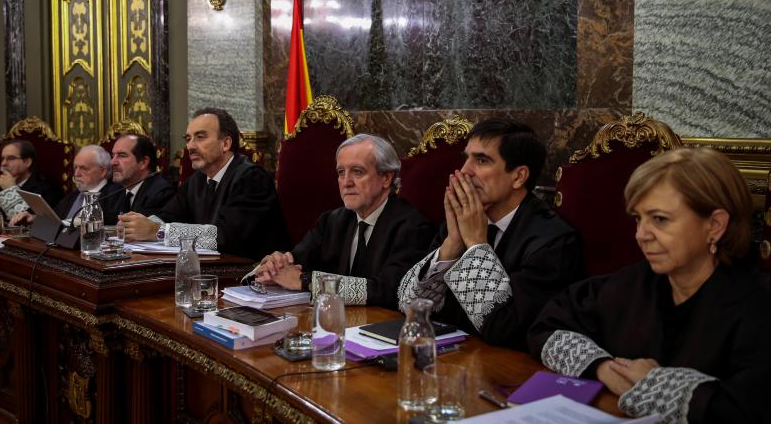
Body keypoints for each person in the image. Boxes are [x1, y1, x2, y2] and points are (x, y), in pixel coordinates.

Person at [528, 148, 771, 423]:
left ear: (714, 225)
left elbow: (748, 409)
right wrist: (603, 367)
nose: (641, 235)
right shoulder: (632, 283)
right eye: (637, 218)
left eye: (660, 219)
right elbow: (547, 326)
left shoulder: (758, 306)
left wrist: (655, 383)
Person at [398, 119, 583, 348]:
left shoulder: (554, 241)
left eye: (482, 160)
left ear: (518, 177)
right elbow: (410, 307)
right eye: (466, 158)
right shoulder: (461, 220)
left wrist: (476, 244)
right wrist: (453, 242)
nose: (465, 171)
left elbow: (506, 330)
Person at [254, 134, 435, 309]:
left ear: (386, 178)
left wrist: (306, 281)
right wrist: (273, 268)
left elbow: (389, 290)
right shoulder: (331, 221)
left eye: (357, 171)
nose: (346, 182)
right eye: (341, 172)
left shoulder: (413, 227)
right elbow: (296, 260)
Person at [119, 108, 288, 259]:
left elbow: (224, 236)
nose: (190, 146)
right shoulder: (198, 179)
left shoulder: (251, 179)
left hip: (252, 276)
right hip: (212, 269)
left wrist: (158, 231)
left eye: (200, 137)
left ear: (225, 143)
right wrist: (136, 225)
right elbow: (169, 215)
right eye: (188, 138)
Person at [11, 145, 120, 225]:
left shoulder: (115, 197)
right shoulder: (72, 197)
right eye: (75, 168)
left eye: (83, 168)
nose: (77, 174)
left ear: (103, 171)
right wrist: (34, 218)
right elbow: (57, 221)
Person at [0, 140, 61, 219]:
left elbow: (29, 222)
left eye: (11, 158)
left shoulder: (46, 189)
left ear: (27, 162)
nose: (3, 163)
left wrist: (10, 190)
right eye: (3, 158)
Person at [110, 134, 174, 216]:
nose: (112, 162)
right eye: (113, 156)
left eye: (122, 155)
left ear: (143, 162)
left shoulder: (160, 194)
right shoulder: (115, 192)